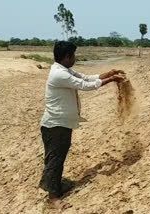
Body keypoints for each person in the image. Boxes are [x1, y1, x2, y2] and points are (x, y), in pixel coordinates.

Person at [39, 41, 125, 210]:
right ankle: (53, 198)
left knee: (54, 157)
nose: (75, 58)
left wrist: (108, 74)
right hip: (56, 125)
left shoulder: (64, 70)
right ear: (67, 56)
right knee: (56, 159)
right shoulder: (59, 74)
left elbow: (85, 78)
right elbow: (84, 85)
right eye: (73, 55)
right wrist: (112, 79)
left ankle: (50, 184)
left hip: (61, 123)